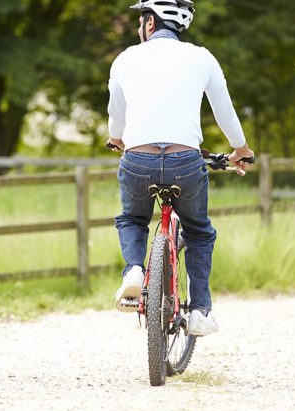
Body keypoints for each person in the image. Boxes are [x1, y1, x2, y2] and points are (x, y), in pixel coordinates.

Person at [107, 0, 255, 336]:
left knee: (132, 218)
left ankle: (133, 270)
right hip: (185, 161)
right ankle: (200, 311)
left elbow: (116, 112)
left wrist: (117, 138)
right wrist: (240, 149)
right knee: (199, 230)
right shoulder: (202, 57)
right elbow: (225, 112)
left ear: (150, 23)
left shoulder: (126, 57)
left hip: (138, 158)